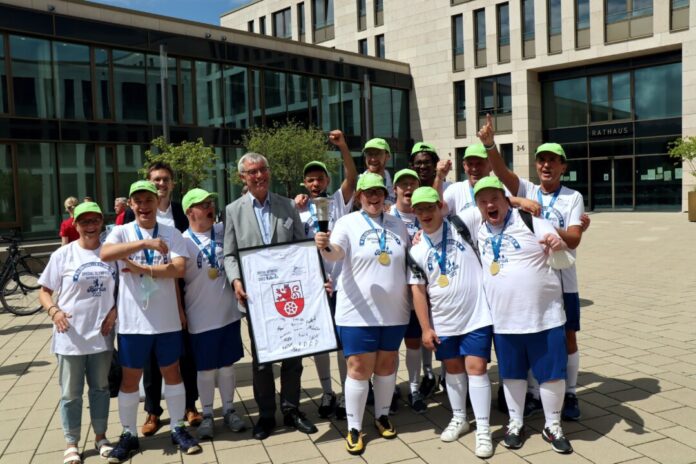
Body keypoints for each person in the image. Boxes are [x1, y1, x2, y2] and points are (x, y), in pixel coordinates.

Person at [477, 115, 589, 421]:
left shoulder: (573, 197)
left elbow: (575, 239)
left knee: (567, 338)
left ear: (563, 166)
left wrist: (546, 228)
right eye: (541, 161)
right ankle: (531, 393)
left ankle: (570, 393)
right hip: (530, 282)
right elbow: (502, 172)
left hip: (562, 279)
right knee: (527, 333)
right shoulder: (527, 190)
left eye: (553, 161)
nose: (546, 166)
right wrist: (489, 144)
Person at [472, 176, 573, 454]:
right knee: (512, 375)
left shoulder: (531, 222)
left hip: (545, 317)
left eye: (495, 199)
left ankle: (552, 425)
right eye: (483, 201)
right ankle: (515, 423)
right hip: (504, 321)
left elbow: (564, 259)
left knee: (551, 374)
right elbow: (439, 216)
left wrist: (558, 245)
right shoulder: (479, 229)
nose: (489, 205)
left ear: (507, 201)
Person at [101, 180, 200, 461]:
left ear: (157, 203)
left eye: (148, 201)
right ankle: (129, 433)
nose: (144, 206)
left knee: (173, 374)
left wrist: (140, 267)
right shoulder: (121, 232)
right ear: (131, 205)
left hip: (166, 319)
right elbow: (105, 254)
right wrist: (145, 243)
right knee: (130, 380)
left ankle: (178, 426)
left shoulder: (171, 232)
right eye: (138, 202)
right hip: (133, 322)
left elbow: (179, 269)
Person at [314, 173, 411, 456]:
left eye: (379, 191)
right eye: (368, 192)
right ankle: (354, 427)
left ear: (385, 194)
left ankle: (381, 416)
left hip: (394, 312)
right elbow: (335, 253)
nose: (374, 197)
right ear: (359, 196)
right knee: (358, 368)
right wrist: (326, 246)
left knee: (387, 365)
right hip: (357, 312)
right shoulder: (348, 222)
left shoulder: (396, 224)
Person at [223, 152, 317, 440]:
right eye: (252, 172)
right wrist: (236, 280)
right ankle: (266, 416)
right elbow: (229, 253)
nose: (259, 175)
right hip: (255, 298)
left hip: (288, 295)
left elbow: (302, 247)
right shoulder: (233, 210)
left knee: (293, 354)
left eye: (262, 169)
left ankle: (290, 410)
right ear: (243, 178)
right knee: (263, 360)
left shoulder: (288, 206)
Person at [408, 187, 494, 457]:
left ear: (440, 206)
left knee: (476, 368)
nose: (425, 214)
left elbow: (491, 203)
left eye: (430, 208)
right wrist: (425, 328)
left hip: (476, 314)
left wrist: (520, 199)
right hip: (444, 320)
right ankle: (459, 418)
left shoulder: (461, 223)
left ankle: (483, 428)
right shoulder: (416, 249)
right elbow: (418, 291)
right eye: (419, 209)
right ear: (414, 213)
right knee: (453, 369)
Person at [122, 162, 199, 435]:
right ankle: (153, 411)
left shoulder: (182, 213)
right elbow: (117, 254)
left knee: (183, 354)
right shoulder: (131, 221)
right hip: (145, 294)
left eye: (165, 179)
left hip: (181, 288)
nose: (161, 184)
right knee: (150, 360)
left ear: (172, 183)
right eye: (156, 180)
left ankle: (189, 405)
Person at [38, 202, 118, 464]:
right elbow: (43, 291)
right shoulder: (64, 254)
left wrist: (115, 310)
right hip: (70, 337)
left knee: (100, 389)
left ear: (101, 223)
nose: (91, 226)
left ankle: (101, 437)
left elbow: (121, 289)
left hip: (101, 336)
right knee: (70, 393)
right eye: (85, 222)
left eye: (95, 220)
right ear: (75, 225)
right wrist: (54, 312)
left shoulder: (109, 254)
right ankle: (71, 443)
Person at [295, 129, 357, 419]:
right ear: (304, 183)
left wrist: (343, 147)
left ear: (327, 181)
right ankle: (326, 392)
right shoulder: (298, 210)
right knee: (321, 343)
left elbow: (352, 178)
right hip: (314, 287)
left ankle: (346, 393)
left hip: (341, 284)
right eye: (311, 179)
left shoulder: (337, 202)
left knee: (343, 343)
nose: (316, 183)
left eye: (320, 178)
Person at [180, 188, 246, 439]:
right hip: (199, 316)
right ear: (189, 211)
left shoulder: (222, 232)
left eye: (210, 202)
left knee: (227, 366)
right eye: (202, 204)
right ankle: (207, 414)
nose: (209, 207)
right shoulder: (182, 241)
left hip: (228, 313)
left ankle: (229, 410)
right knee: (205, 370)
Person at [387, 168, 425, 413]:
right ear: (395, 190)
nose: (408, 188)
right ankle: (388, 390)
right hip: (390, 293)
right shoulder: (385, 215)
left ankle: (414, 388)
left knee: (414, 343)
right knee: (389, 347)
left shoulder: (426, 214)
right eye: (403, 184)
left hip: (416, 292)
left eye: (412, 183)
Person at [361, 138, 396, 206]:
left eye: (377, 154)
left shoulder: (396, 183)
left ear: (388, 156)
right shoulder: (357, 182)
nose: (373, 159)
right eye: (369, 154)